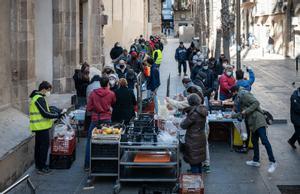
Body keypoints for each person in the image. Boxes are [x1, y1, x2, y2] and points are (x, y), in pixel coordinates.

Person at [227, 86, 277, 173]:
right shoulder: (239, 97)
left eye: (232, 93)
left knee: (264, 141)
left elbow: (256, 103)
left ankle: (272, 162)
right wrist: (231, 115)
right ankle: (256, 160)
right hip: (252, 123)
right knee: (254, 141)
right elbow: (242, 112)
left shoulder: (244, 95)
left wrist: (246, 111)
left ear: (235, 91)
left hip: (258, 120)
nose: (232, 95)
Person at [29, 81, 62, 174]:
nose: (49, 92)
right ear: (43, 89)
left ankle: (39, 165)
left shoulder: (38, 97)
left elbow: (45, 110)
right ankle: (41, 167)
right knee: (43, 147)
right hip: (41, 127)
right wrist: (56, 115)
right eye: (48, 90)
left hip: (40, 127)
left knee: (39, 147)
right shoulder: (38, 98)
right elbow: (45, 113)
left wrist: (54, 111)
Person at [85, 76, 116, 169]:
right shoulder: (111, 93)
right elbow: (113, 102)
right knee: (108, 140)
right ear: (107, 84)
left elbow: (89, 108)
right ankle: (107, 163)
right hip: (107, 118)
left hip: (95, 119)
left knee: (90, 140)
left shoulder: (93, 93)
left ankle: (87, 164)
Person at [180, 94, 208, 174]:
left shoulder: (194, 113)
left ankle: (196, 182)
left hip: (193, 139)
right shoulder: (202, 109)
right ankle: (199, 179)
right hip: (201, 137)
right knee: (198, 161)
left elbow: (183, 125)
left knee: (194, 162)